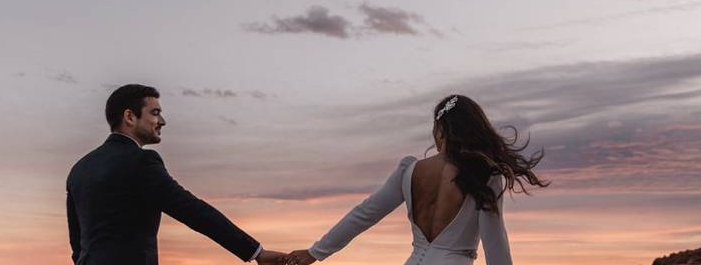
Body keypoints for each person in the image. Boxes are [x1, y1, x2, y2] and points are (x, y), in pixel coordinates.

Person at [285, 94, 548, 265]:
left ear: (440, 131)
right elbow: (496, 247)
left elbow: (363, 214)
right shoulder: (483, 174)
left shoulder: (410, 170)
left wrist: (315, 252)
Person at [66, 84, 285, 265]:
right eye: (155, 113)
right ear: (130, 117)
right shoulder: (141, 162)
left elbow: (78, 245)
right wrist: (255, 252)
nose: (162, 121)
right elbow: (192, 210)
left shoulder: (79, 169)